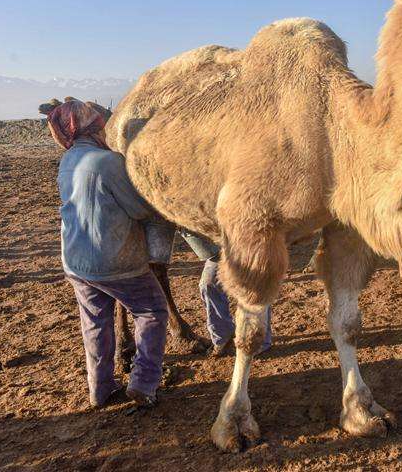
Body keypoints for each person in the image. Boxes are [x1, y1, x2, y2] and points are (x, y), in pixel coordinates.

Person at [47, 99, 168, 408]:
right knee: (152, 311)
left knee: (95, 321)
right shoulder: (108, 162)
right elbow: (139, 210)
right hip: (113, 259)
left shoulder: (68, 160)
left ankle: (100, 390)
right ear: (93, 127)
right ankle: (143, 382)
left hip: (75, 260)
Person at [178, 230, 272, 356]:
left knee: (254, 284)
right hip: (223, 242)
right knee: (209, 283)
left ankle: (258, 341)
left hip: (254, 239)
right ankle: (223, 339)